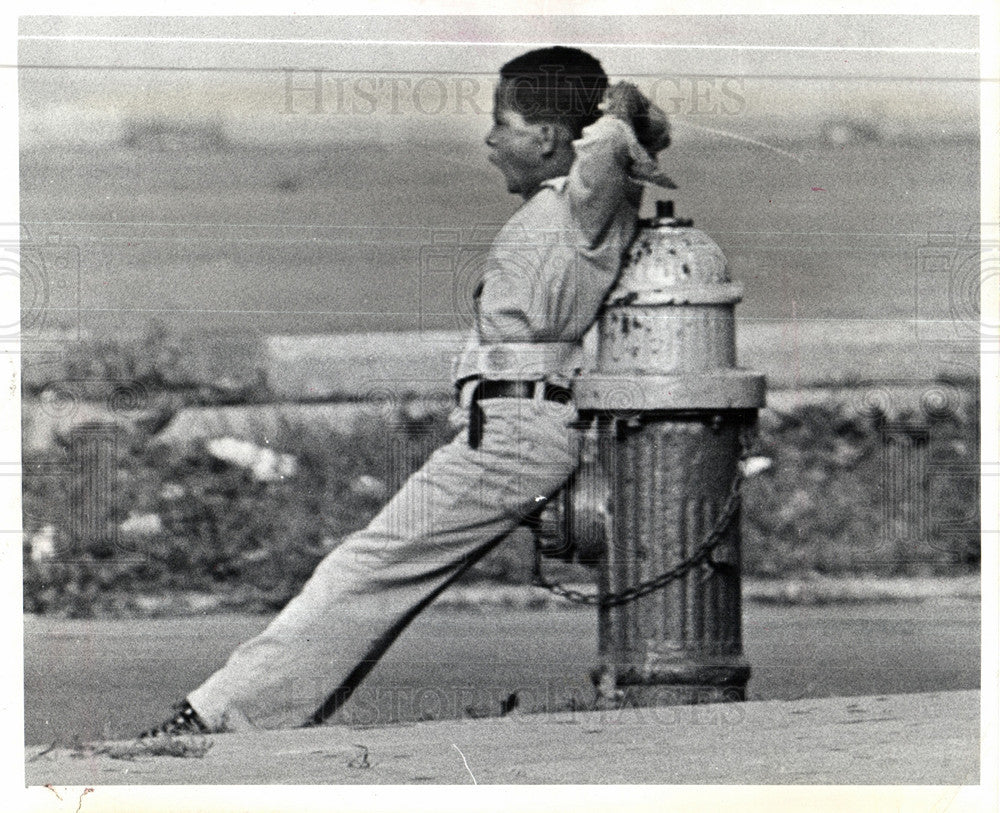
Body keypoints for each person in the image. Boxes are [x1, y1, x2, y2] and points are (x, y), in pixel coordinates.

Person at [141, 46, 673, 736]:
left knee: (367, 569)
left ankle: (213, 718)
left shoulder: (585, 205)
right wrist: (615, 113)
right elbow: (627, 139)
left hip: (518, 431)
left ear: (545, 139)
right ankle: (252, 716)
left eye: (500, 123)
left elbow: (615, 141)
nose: (488, 141)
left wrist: (616, 107)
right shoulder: (575, 206)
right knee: (382, 577)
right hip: (516, 424)